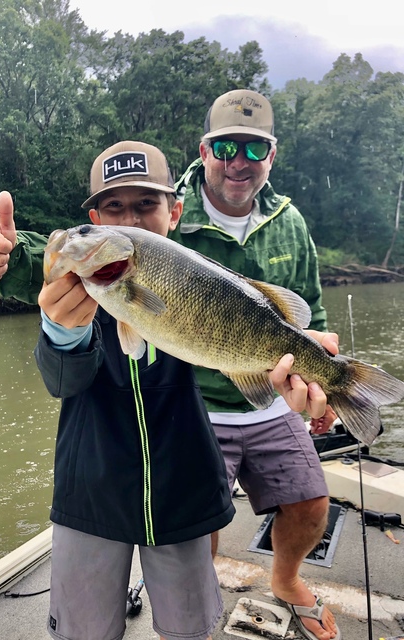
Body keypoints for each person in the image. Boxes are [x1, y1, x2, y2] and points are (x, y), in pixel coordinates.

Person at [0, 132, 339, 640]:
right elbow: (62, 380)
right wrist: (57, 327)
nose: (131, 220)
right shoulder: (77, 294)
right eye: (113, 208)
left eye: (147, 204)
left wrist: (301, 377)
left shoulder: (188, 278)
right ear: (95, 223)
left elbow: (257, 339)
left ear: (176, 214)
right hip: (90, 494)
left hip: (183, 490)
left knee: (189, 630)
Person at [168, 89, 340, 640]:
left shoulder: (291, 223)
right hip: (191, 402)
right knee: (201, 520)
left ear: (272, 154)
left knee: (312, 501)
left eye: (253, 148)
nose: (237, 162)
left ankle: (286, 579)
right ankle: (201, 586)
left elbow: (309, 312)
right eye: (224, 147)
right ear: (204, 148)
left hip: (270, 401)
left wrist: (322, 392)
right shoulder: (167, 213)